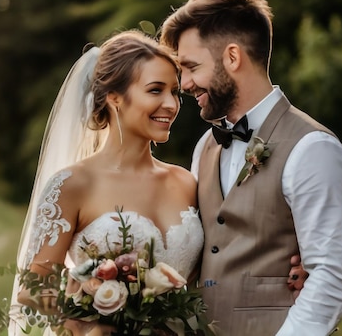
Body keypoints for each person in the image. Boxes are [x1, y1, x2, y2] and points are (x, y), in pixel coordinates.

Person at [160, 0, 342, 336]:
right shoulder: (205, 146)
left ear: (232, 57)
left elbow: (332, 277)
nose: (185, 83)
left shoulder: (314, 149)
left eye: (191, 67)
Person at [12, 30, 204, 336]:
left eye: (175, 92)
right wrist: (89, 320)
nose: (171, 104)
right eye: (156, 90)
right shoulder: (74, 184)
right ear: (114, 98)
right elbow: (33, 286)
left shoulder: (186, 181)